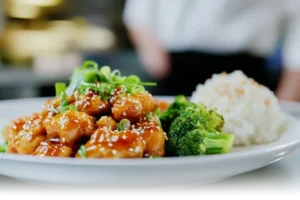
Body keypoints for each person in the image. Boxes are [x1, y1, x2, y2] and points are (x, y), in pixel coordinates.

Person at [122, 0, 300, 101]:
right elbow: (139, 10)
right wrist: (150, 49)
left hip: (245, 75)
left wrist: (287, 99)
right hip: (174, 68)